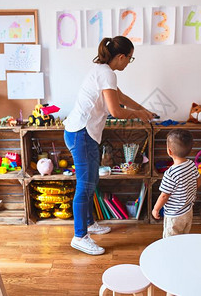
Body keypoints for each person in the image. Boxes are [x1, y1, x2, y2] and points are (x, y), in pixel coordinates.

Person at [63, 36, 155, 255]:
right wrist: (138, 114)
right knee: (85, 186)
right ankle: (79, 236)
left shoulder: (103, 72)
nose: (128, 63)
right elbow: (116, 111)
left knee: (92, 181)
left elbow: (120, 97)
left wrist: (144, 111)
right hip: (81, 134)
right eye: (129, 59)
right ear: (121, 57)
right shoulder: (107, 73)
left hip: (84, 133)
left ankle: (89, 224)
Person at [152, 129, 201, 238]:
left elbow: (164, 195)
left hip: (174, 215)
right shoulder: (192, 165)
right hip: (188, 211)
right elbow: (198, 181)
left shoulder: (170, 173)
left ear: (169, 151)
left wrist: (156, 209)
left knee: (171, 239)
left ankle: (172, 254)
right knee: (183, 237)